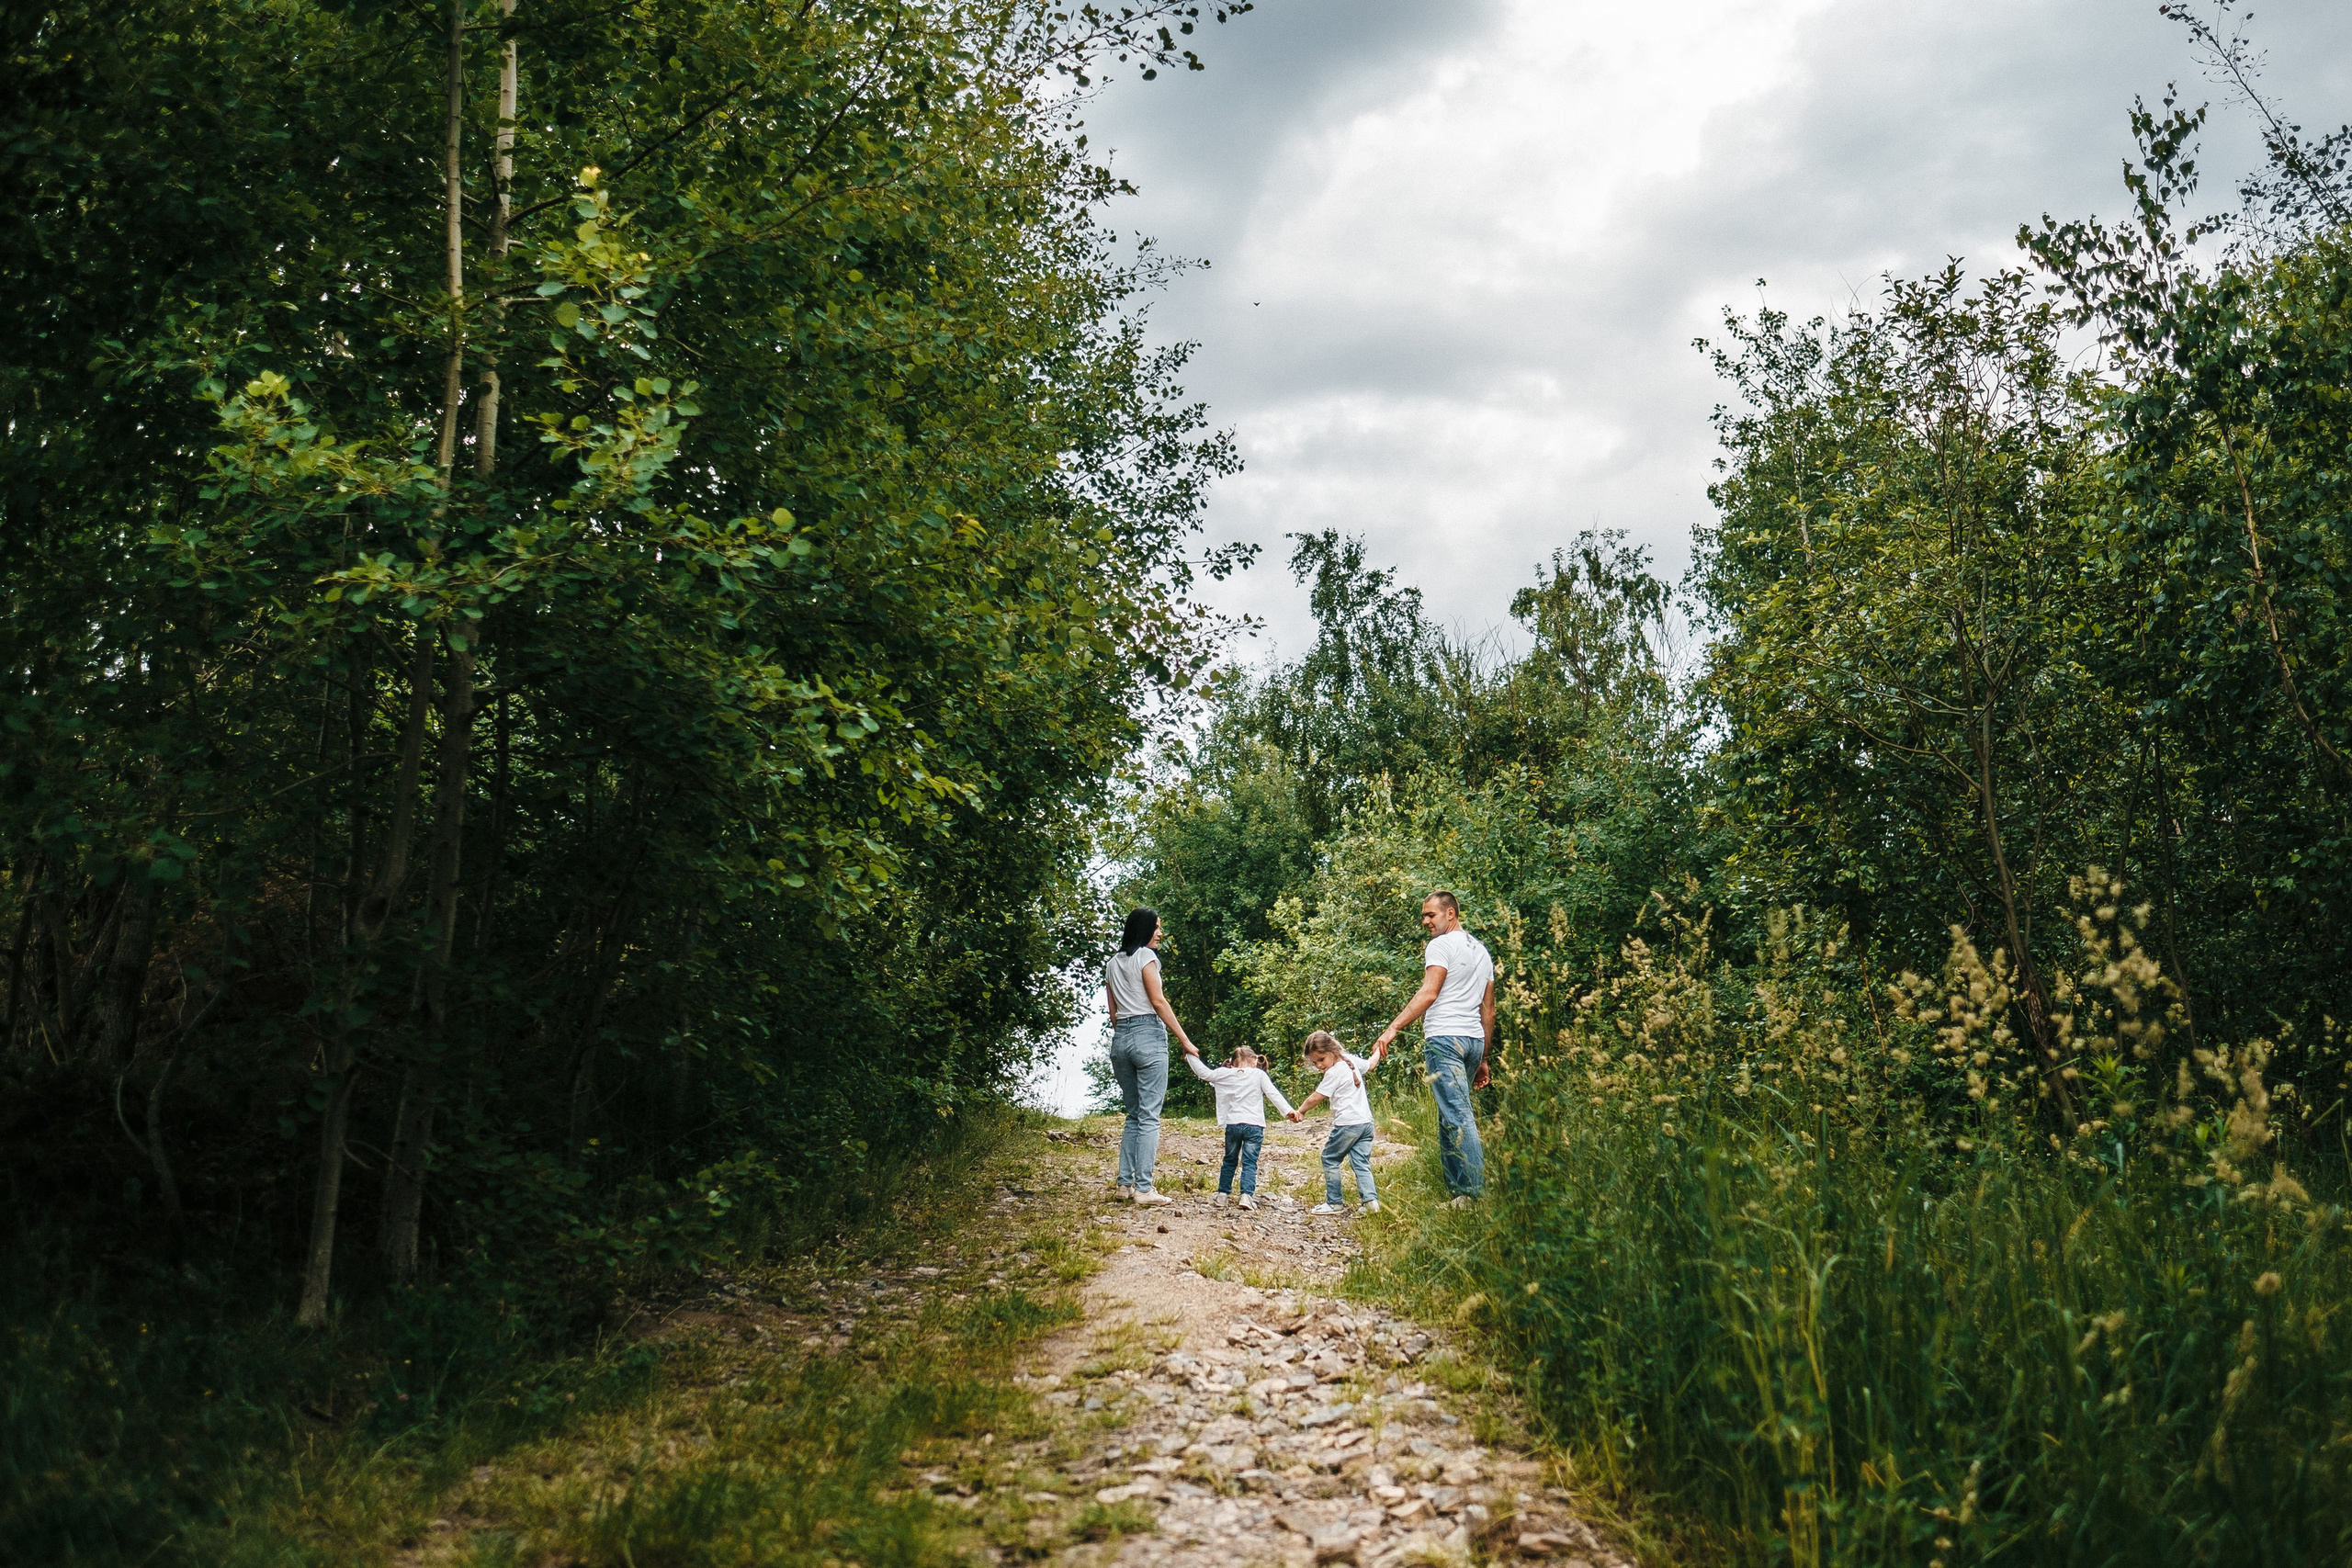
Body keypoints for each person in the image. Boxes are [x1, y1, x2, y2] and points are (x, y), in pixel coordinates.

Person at [1373, 890, 1495, 1207]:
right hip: (1472, 1041)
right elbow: (1488, 1010)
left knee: (1458, 1115)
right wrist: (1483, 1057)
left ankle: (1475, 1194)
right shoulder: (1481, 951)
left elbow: (1429, 992)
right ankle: (1458, 1195)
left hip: (1445, 1040)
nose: (1425, 921)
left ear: (1450, 913)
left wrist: (1393, 1028)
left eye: (1431, 915)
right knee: (1449, 1115)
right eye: (1424, 916)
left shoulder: (1440, 945)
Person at [1105, 907, 1197, 1207]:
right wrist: (1185, 1040)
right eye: (1156, 927)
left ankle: (1124, 1185)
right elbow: (1158, 1002)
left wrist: (1127, 1036)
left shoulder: (1112, 963)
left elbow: (1113, 1014)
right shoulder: (1146, 957)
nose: (1160, 933)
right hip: (1148, 1035)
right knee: (1149, 1116)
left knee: (1134, 1114)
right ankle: (1144, 1189)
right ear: (1143, 929)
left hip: (1120, 1040)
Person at [1180, 1042, 1298, 1209]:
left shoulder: (1224, 1073)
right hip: (1254, 1125)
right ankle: (1246, 1196)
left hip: (1233, 1124)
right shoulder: (1259, 1074)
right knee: (1250, 1162)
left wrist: (1189, 1055)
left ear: (1233, 1063)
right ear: (1255, 1060)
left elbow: (1204, 1073)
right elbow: (1273, 1093)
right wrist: (1288, 1111)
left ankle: (1222, 1195)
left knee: (1229, 1160)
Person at [1295, 1030, 1386, 1214]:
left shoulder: (1334, 1072)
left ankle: (1334, 1202)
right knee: (1360, 1162)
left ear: (1332, 1050)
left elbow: (1316, 1097)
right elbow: (1371, 1064)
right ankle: (1371, 1203)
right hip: (1366, 1123)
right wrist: (1379, 1048)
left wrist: (1300, 1111)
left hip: (1348, 1124)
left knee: (1330, 1158)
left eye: (1321, 1059)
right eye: (1314, 1062)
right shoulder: (1349, 1060)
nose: (1319, 1065)